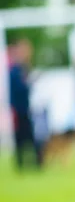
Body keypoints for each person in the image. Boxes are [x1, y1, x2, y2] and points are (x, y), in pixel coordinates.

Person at [9, 38, 42, 170]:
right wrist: (30, 82)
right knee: (22, 137)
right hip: (19, 108)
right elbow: (19, 88)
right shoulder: (16, 70)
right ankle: (23, 164)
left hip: (25, 108)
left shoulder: (23, 67)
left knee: (28, 137)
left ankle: (33, 163)